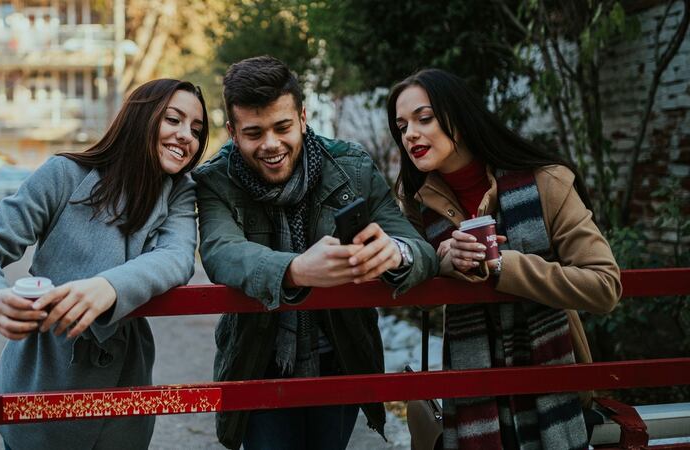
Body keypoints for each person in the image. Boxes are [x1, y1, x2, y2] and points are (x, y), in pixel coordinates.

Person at [0, 79, 208, 450]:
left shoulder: (181, 192)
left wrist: (109, 287)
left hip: (125, 386)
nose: (186, 137)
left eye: (196, 131)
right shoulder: (63, 175)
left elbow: (177, 257)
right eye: (174, 120)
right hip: (44, 376)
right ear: (140, 117)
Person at [192, 55, 438, 450]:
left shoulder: (352, 167)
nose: (271, 144)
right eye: (254, 133)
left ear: (303, 117)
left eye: (283, 127)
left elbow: (418, 248)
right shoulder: (215, 180)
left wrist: (395, 253)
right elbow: (221, 251)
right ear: (232, 132)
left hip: (342, 358)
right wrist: (296, 269)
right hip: (259, 362)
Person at [388, 68, 622, 450]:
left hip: (550, 383)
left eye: (424, 119)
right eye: (401, 126)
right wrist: (442, 263)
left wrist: (501, 266)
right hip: (472, 398)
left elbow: (604, 286)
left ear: (459, 120)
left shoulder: (548, 182)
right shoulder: (418, 205)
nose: (409, 133)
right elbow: (411, 282)